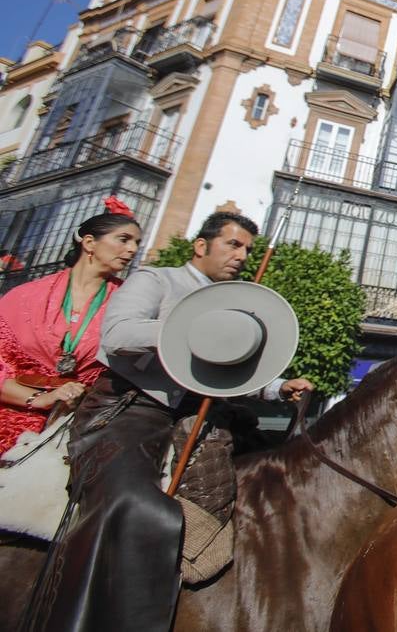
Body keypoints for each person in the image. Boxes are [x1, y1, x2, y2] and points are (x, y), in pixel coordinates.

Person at [31, 211, 313, 632]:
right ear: (201, 246)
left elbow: (229, 375)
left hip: (199, 415)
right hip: (131, 408)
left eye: (248, 250)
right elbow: (119, 336)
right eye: (233, 245)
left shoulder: (235, 302)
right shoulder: (156, 280)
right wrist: (194, 328)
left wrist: (276, 388)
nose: (241, 256)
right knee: (133, 506)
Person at [0, 198, 141, 453]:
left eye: (137, 243)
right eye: (124, 239)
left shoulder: (129, 303)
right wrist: (40, 399)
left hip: (77, 422)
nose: (132, 249)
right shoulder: (23, 296)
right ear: (89, 243)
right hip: (10, 411)